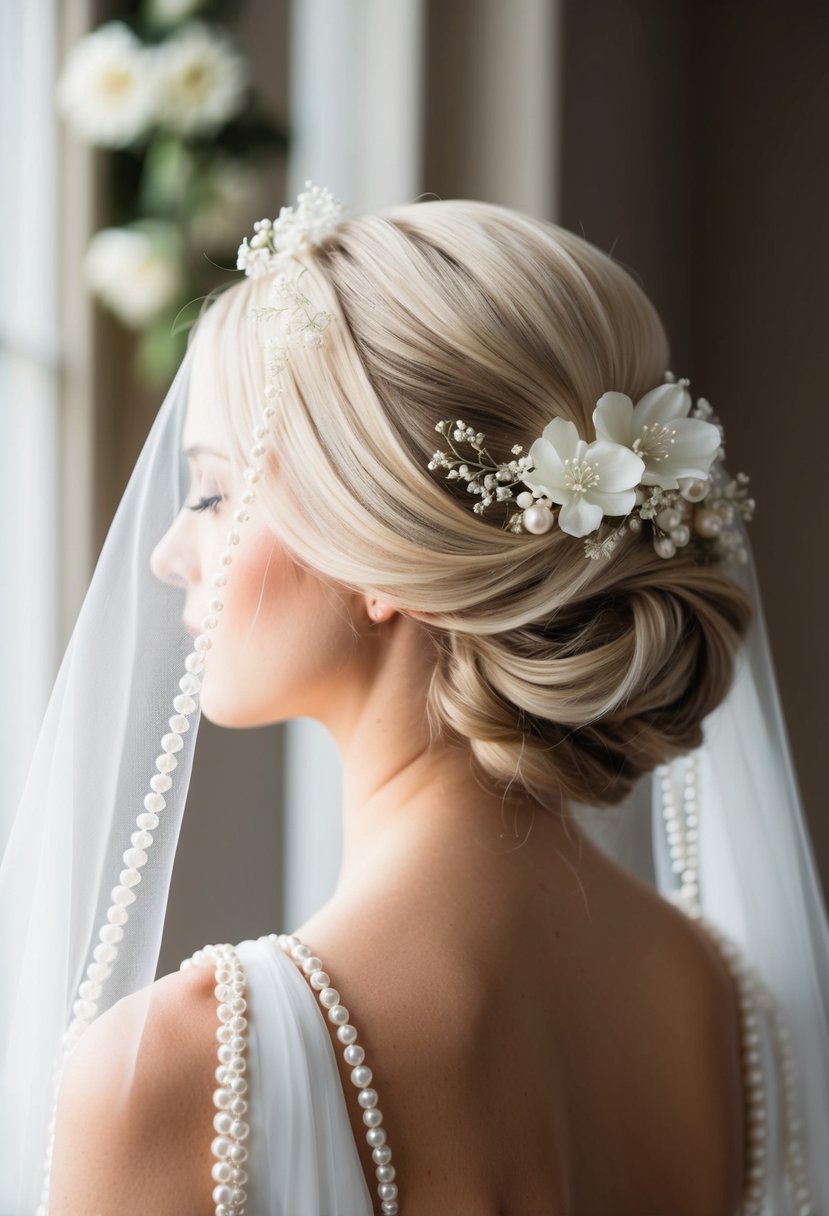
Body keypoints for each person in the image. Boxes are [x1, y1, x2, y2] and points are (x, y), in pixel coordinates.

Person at [2, 188, 827, 1215]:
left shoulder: (181, 1078)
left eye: (216, 492)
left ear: (379, 551)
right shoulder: (730, 1009)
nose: (171, 552)